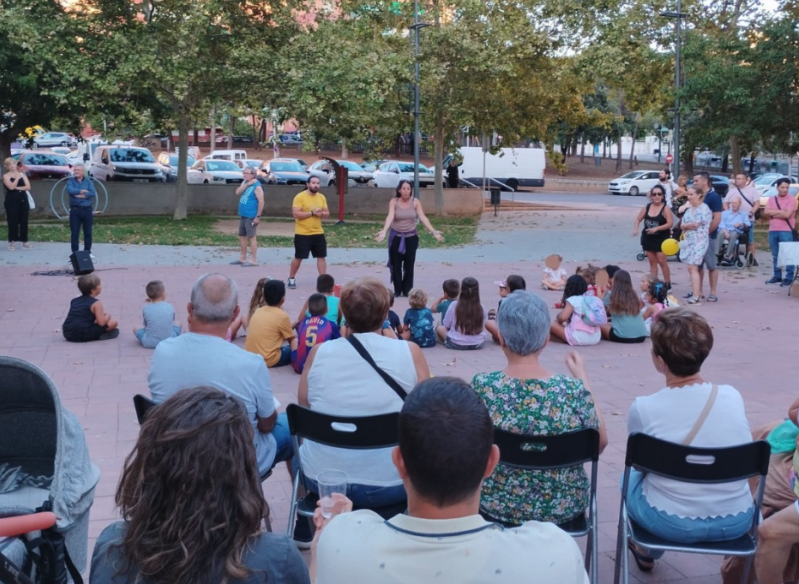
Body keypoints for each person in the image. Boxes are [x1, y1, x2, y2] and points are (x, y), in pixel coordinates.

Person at [310, 377, 590, 584]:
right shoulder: (554, 553)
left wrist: (329, 531)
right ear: (491, 462)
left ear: (399, 462)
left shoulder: (340, 542)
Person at [90, 387, 310, 584]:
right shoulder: (275, 559)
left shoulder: (112, 547)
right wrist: (320, 555)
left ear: (148, 465)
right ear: (242, 470)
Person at [297, 278, 431, 545]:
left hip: (322, 481)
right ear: (384, 314)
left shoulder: (319, 352)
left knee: (297, 445)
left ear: (343, 314)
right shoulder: (409, 352)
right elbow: (426, 411)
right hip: (391, 482)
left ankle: (302, 525)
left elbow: (304, 405)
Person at [624, 309, 754, 573]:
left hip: (671, 523)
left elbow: (638, 466)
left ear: (660, 362)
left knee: (627, 479)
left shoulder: (644, 407)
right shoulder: (732, 396)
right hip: (737, 520)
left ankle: (646, 551)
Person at [475, 291, 608, 526]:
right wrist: (582, 379)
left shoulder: (482, 387)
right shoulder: (571, 390)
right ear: (546, 340)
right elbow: (600, 442)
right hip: (563, 507)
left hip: (497, 503)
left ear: (502, 339)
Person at [148, 273, 292, 478]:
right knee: (292, 423)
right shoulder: (251, 364)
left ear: (190, 309)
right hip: (236, 464)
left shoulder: (162, 352)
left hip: (176, 459)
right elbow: (267, 425)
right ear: (235, 313)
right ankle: (304, 504)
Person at [375, 180, 444, 297]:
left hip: (411, 238)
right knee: (396, 265)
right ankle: (397, 290)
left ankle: (407, 290)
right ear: (399, 190)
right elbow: (390, 216)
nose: (406, 191)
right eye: (403, 188)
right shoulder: (394, 202)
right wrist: (384, 231)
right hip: (396, 237)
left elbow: (422, 217)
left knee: (409, 264)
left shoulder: (415, 202)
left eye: (408, 188)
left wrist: (434, 231)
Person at [245, 279, 298, 368]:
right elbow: (291, 340)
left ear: (265, 297)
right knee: (297, 342)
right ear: (283, 300)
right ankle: (297, 362)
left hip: (251, 357)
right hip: (269, 360)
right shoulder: (282, 316)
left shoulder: (258, 311)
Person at [288, 176, 329, 289]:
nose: (316, 185)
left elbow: (327, 213)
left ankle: (323, 282)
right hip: (303, 233)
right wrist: (311, 213)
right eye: (313, 183)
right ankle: (291, 278)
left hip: (318, 232)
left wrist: (322, 214)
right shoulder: (300, 197)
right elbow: (296, 214)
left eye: (318, 183)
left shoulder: (321, 197)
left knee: (321, 256)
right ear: (308, 184)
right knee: (299, 257)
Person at [633, 185, 674, 287]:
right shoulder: (646, 207)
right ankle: (653, 284)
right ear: (651, 196)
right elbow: (638, 219)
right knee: (652, 262)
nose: (656, 196)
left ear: (663, 196)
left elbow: (670, 223)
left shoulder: (666, 208)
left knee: (662, 261)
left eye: (659, 194)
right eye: (654, 194)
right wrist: (636, 229)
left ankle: (667, 284)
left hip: (661, 239)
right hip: (648, 238)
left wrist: (657, 228)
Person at [692, 172, 723, 302]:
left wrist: (706, 233)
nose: (694, 183)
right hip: (695, 237)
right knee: (697, 265)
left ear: (704, 182)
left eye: (696, 181)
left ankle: (713, 292)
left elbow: (717, 218)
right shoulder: (697, 196)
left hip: (708, 237)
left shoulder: (714, 197)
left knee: (711, 264)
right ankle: (698, 291)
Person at [62, 273, 119, 342]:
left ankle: (97, 333)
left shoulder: (74, 300)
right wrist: (108, 315)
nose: (100, 286)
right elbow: (102, 323)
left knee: (93, 322)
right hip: (81, 334)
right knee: (114, 323)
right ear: (93, 290)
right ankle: (99, 335)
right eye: (99, 284)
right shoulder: (96, 303)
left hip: (67, 332)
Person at [679, 187, 712, 304]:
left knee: (693, 267)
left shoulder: (704, 208)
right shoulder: (689, 210)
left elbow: (695, 225)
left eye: (691, 194)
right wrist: (686, 225)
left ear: (699, 195)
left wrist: (687, 225)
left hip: (700, 240)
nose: (689, 197)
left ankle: (696, 295)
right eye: (688, 194)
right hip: (689, 241)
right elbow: (682, 225)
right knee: (691, 267)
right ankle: (697, 292)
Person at [293, 293, 340, 374]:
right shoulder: (330, 324)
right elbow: (339, 343)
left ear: (308, 311)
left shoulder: (302, 323)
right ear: (327, 309)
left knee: (294, 342)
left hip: (301, 367)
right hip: (321, 368)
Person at [436, 276, 486, 350]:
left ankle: (446, 340)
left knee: (439, 327)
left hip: (456, 344)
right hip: (478, 343)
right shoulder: (481, 307)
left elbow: (446, 325)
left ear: (461, 290)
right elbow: (482, 324)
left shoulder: (454, 305)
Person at [549, 274, 601, 346]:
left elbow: (562, 318)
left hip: (578, 337)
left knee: (550, 324)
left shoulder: (573, 300)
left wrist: (558, 319)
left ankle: (545, 338)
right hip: (596, 337)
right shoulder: (593, 299)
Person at [763, 177, 797, 287]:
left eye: (787, 187)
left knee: (788, 255)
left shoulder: (792, 200)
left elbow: (787, 215)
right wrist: (780, 212)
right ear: (777, 188)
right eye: (782, 187)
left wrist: (773, 213)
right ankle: (777, 275)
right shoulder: (772, 199)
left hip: (786, 230)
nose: (785, 190)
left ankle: (789, 277)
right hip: (773, 230)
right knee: (775, 255)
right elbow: (766, 212)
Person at [599, 270, 647, 343]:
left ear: (614, 281)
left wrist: (605, 291)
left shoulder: (611, 295)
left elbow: (600, 313)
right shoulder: (633, 295)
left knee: (599, 324)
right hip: (642, 336)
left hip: (623, 336)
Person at [231, 167, 264, 267]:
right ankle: (243, 258)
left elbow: (261, 201)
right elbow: (237, 192)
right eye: (243, 172)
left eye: (247, 173)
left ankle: (253, 260)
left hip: (251, 215)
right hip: (243, 214)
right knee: (241, 236)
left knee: (252, 237)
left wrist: (257, 216)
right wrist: (246, 184)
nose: (244, 174)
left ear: (253, 175)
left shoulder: (257, 186)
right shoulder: (245, 183)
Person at [133, 280, 181, 348]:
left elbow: (146, 325)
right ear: (163, 294)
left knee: (136, 328)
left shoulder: (146, 308)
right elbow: (171, 322)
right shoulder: (169, 306)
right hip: (170, 340)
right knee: (178, 323)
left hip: (149, 343)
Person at [725, 171, 760, 264]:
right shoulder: (732, 191)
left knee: (750, 239)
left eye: (740, 178)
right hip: (733, 220)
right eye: (737, 178)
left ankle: (751, 258)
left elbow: (757, 203)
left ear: (745, 180)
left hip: (748, 219)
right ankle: (732, 256)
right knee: (732, 238)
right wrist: (727, 213)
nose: (738, 180)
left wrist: (752, 211)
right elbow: (725, 203)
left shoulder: (752, 191)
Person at [65, 163, 97, 259]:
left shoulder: (89, 182)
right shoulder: (70, 181)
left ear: (83, 171)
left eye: (78, 170)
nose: (75, 171)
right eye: (75, 170)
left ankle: (87, 251)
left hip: (87, 210)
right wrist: (82, 191)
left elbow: (92, 192)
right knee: (74, 232)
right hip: (75, 210)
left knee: (88, 232)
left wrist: (80, 194)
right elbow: (70, 191)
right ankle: (75, 253)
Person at [3, 156, 32, 251]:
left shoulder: (22, 174)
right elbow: (11, 187)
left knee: (24, 220)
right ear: (7, 166)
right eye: (10, 164)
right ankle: (12, 241)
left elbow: (28, 187)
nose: (12, 166)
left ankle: (25, 241)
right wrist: (16, 178)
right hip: (11, 200)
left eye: (13, 163)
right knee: (12, 220)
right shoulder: (6, 176)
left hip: (23, 199)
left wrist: (18, 187)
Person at [485, 275, 526, 342]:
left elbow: (501, 321)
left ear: (508, 289)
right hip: (525, 335)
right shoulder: (528, 301)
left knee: (489, 323)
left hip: (510, 335)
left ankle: (503, 340)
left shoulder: (504, 302)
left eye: (501, 289)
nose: (499, 291)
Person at [718, 196, 751, 265]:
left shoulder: (743, 214)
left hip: (736, 231)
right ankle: (716, 253)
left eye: (735, 203)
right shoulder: (724, 213)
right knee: (721, 233)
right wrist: (725, 231)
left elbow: (748, 224)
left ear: (740, 204)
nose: (733, 204)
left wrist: (741, 224)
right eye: (732, 203)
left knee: (733, 234)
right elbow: (721, 223)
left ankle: (727, 256)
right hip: (725, 230)